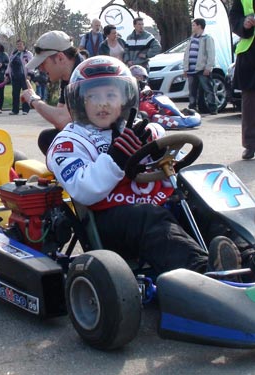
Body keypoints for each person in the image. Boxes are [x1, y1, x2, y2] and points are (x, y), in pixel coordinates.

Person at [45, 55, 242, 276]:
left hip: (159, 207)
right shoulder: (68, 143)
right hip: (112, 220)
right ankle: (203, 272)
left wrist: (163, 155)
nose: (103, 103)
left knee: (203, 206)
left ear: (125, 98)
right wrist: (114, 160)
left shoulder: (146, 129)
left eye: (111, 95)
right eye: (93, 96)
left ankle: (245, 255)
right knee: (150, 217)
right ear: (80, 101)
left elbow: (176, 170)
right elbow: (85, 190)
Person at [21, 30, 84, 155]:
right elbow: (60, 122)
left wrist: (34, 100)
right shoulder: (68, 76)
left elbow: (63, 121)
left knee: (49, 139)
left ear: (60, 58)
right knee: (49, 138)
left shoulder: (82, 75)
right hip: (93, 138)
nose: (41, 69)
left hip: (107, 143)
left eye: (43, 63)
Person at [229, 1, 255, 160]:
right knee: (250, 103)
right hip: (249, 55)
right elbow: (234, 18)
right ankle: (251, 145)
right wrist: (244, 24)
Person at [183, 18, 217, 115]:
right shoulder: (191, 39)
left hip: (202, 69)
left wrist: (208, 67)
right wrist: (185, 68)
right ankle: (192, 107)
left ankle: (213, 107)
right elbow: (186, 54)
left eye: (194, 25)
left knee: (208, 89)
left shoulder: (207, 38)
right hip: (191, 69)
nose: (192, 27)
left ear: (199, 26)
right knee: (192, 90)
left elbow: (211, 54)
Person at [4, 40, 33, 115]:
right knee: (15, 93)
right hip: (15, 77)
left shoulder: (28, 54)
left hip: (24, 76)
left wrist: (29, 74)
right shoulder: (13, 54)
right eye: (17, 45)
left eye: (20, 44)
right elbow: (9, 65)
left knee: (26, 93)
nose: (19, 46)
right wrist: (7, 74)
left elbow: (31, 64)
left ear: (24, 45)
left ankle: (25, 109)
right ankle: (15, 110)